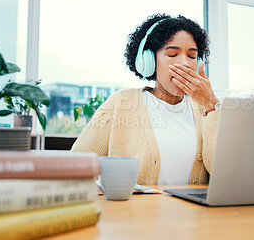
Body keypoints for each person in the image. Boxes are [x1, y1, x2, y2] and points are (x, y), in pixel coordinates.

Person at [71, 13, 220, 185]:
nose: (185, 64)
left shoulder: (207, 110)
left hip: (196, 213)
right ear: (149, 61)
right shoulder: (120, 103)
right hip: (136, 212)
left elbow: (226, 175)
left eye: (192, 57)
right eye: (172, 54)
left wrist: (211, 104)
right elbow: (76, 168)